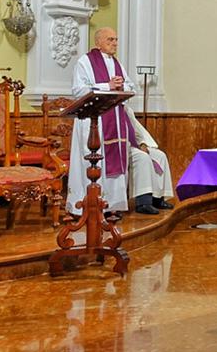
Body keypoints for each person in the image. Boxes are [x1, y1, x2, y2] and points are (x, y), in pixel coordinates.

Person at [66, 27, 174, 216]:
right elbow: (78, 91)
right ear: (98, 42)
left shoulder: (116, 63)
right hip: (94, 122)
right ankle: (91, 204)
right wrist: (107, 85)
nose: (115, 43)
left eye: (116, 39)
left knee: (117, 163)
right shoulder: (85, 62)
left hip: (115, 121)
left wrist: (121, 85)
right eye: (110, 39)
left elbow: (130, 85)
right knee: (97, 162)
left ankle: (113, 205)